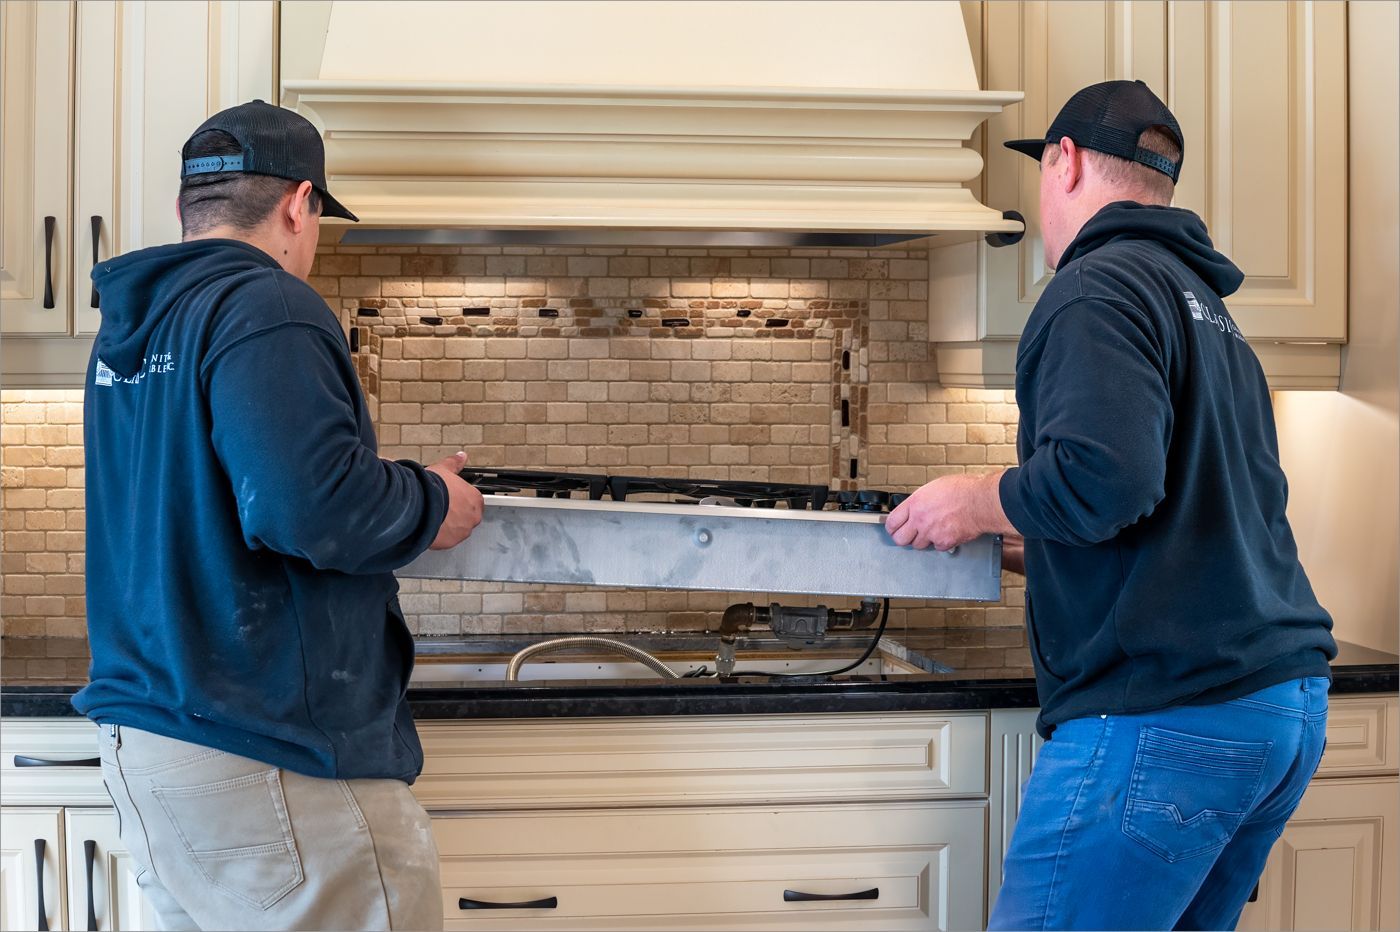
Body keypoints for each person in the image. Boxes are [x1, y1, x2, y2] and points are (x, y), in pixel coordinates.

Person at [885, 80, 1336, 930]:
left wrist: (975, 502)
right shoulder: (1205, 307)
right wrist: (1040, 545)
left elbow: (1107, 479)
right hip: (1276, 707)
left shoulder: (1097, 287)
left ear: (1064, 163)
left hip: (1170, 717)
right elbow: (1197, 509)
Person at [74, 100, 483, 930]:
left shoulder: (136, 328)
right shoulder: (270, 306)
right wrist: (433, 499)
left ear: (184, 210)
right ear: (301, 203)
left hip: (154, 749)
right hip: (268, 757)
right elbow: (311, 507)